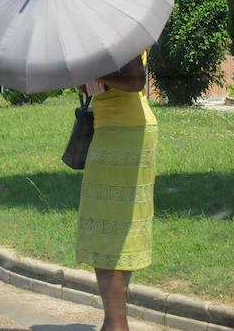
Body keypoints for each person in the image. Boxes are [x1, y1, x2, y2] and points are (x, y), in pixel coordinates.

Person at [76, 54, 156, 331]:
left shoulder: (114, 33)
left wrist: (95, 73)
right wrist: (85, 79)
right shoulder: (107, 29)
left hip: (122, 133)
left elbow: (135, 79)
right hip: (120, 128)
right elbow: (97, 87)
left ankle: (116, 324)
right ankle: (114, 320)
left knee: (106, 230)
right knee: (118, 229)